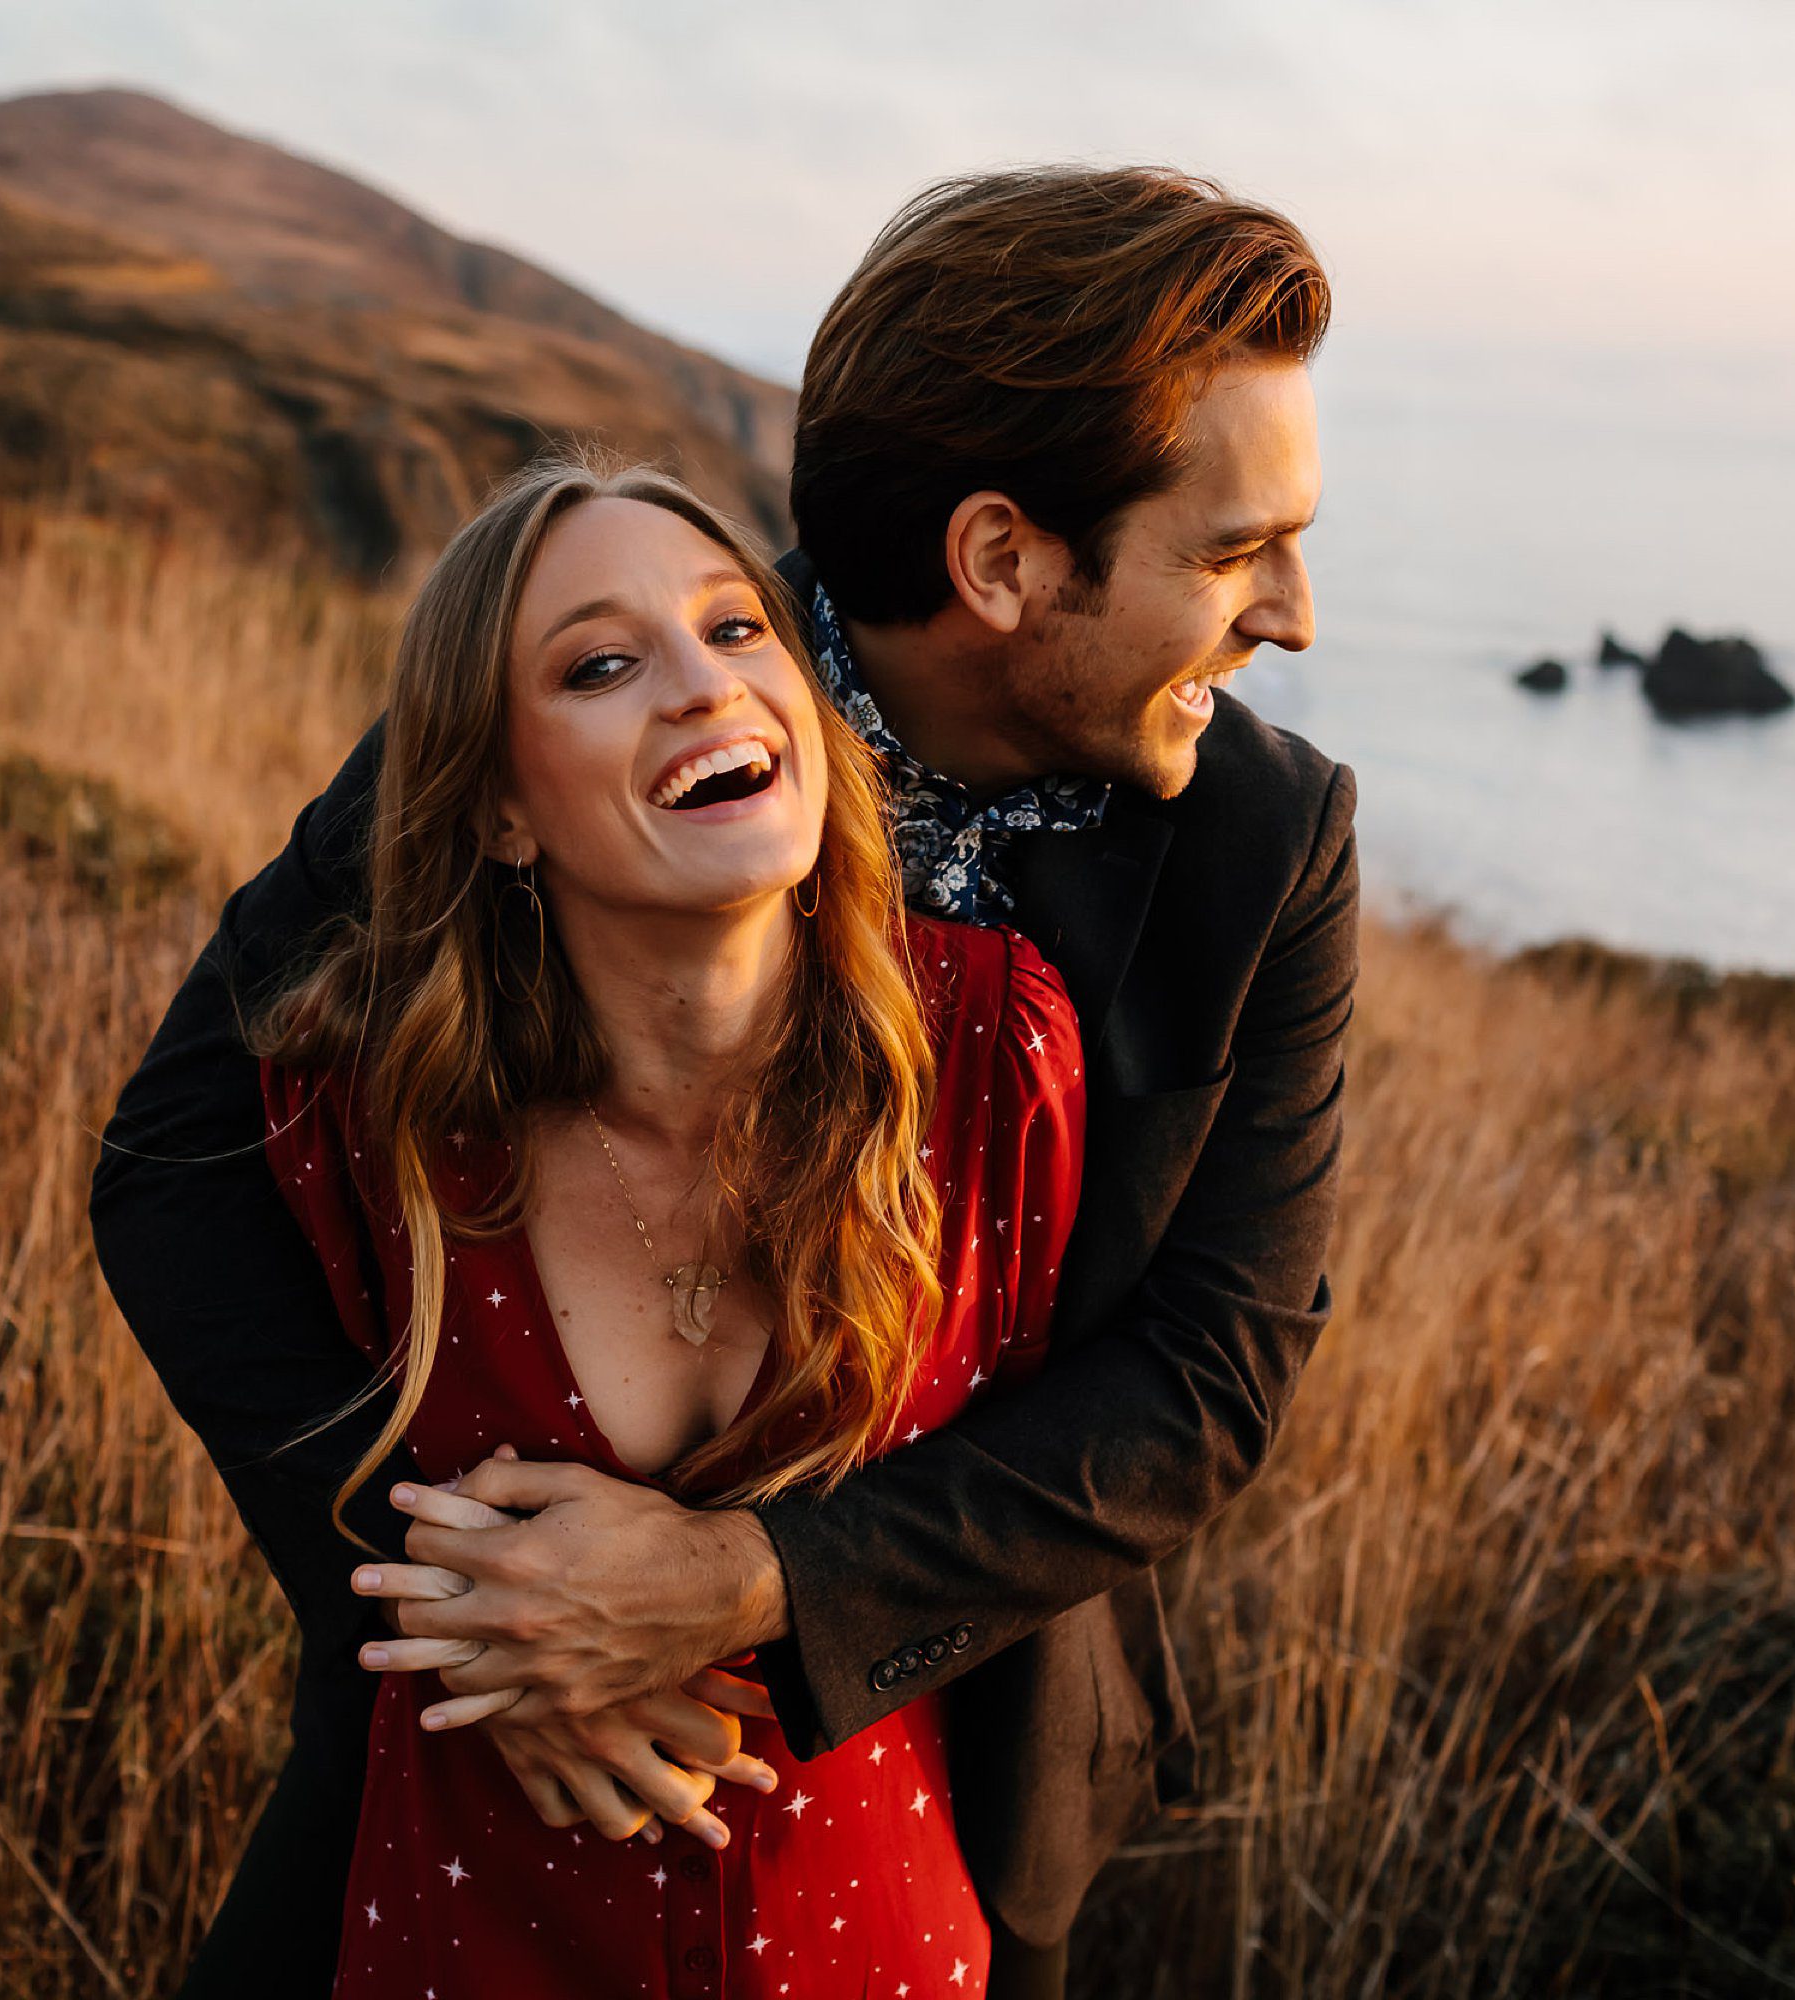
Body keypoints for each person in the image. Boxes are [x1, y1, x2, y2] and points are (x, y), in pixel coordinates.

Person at [91, 165, 1358, 1999]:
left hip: (959, 1790)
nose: (1296, 619)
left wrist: (750, 1586)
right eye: (1237, 550)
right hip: (464, 1767)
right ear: (1001, 561)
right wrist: (479, 1632)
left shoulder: (1269, 845)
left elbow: (1208, 1377)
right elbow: (179, 1161)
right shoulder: (602, 672)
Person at [252, 454, 1086, 1997]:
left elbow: (1067, 1473)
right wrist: (466, 1625)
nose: (705, 689)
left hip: (883, 1948)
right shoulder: (362, 1113)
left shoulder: (993, 1058)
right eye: (603, 663)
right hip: (475, 1943)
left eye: (738, 629)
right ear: (501, 807)